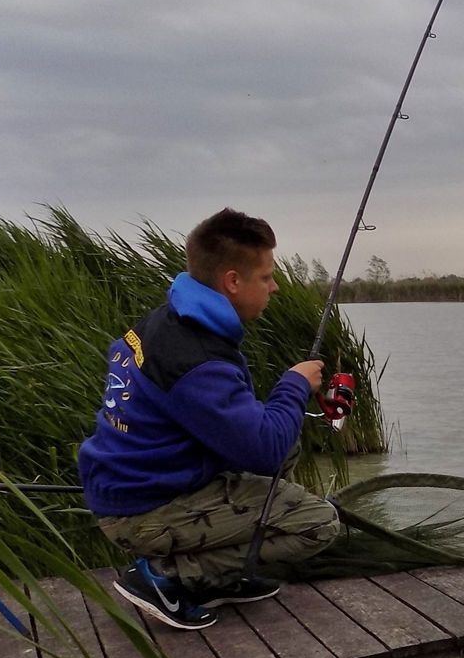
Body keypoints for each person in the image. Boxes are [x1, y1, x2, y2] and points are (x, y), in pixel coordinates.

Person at [78, 208, 343, 630]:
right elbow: (264, 452)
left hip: (130, 484)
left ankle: (217, 577)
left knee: (286, 438)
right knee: (318, 524)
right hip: (140, 510)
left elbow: (261, 441)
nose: (274, 287)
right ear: (232, 281)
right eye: (266, 277)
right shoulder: (195, 358)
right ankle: (167, 578)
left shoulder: (168, 322)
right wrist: (293, 384)